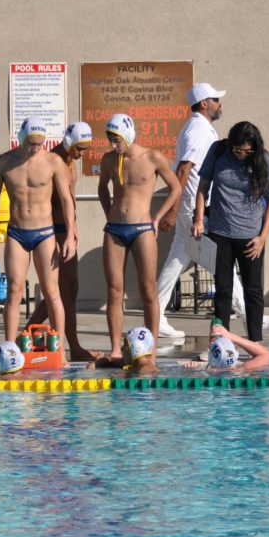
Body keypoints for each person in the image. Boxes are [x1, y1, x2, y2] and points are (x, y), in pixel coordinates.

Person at [156, 84, 269, 338]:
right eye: (216, 99)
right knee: (222, 279)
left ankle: (156, 311)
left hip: (226, 222)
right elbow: (185, 170)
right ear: (204, 102)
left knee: (181, 260)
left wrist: (262, 236)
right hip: (199, 211)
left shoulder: (198, 129)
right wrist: (183, 211)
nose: (220, 104)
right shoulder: (200, 131)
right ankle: (240, 322)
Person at [0, 118, 77, 362]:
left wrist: (69, 234)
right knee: (14, 292)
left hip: (45, 233)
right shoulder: (3, 163)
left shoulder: (53, 162)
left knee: (51, 292)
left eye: (40, 143)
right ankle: (8, 350)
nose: (35, 148)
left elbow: (67, 200)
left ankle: (59, 350)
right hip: (16, 232)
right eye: (31, 143)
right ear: (21, 137)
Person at [97, 113, 181, 359]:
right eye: (110, 139)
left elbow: (176, 188)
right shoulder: (109, 160)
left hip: (143, 229)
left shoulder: (153, 157)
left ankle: (151, 351)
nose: (113, 145)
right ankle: (114, 349)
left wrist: (157, 218)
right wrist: (108, 213)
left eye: (117, 139)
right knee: (114, 290)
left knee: (148, 290)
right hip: (114, 230)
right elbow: (102, 187)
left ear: (128, 135)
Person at [193, 121, 269, 344]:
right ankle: (219, 342)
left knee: (253, 291)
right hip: (220, 233)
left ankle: (255, 343)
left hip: (251, 236)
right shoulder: (218, 151)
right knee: (223, 290)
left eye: (246, 151)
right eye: (237, 150)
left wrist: (263, 237)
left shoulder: (264, 160)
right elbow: (203, 187)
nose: (241, 155)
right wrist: (198, 219)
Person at [25, 122, 96, 361]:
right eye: (79, 149)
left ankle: (33, 336)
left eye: (85, 149)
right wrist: (57, 234)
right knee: (58, 290)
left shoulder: (69, 160)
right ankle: (67, 345)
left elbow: (71, 199)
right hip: (52, 231)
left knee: (69, 289)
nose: (82, 154)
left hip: (66, 230)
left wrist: (73, 228)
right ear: (69, 143)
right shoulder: (52, 160)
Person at [178, 324, 269, 372]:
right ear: (235, 353)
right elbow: (266, 354)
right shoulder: (243, 369)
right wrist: (231, 336)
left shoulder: (201, 371)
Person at [87, 326, 158, 374]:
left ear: (135, 348)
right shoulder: (134, 363)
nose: (122, 348)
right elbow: (109, 360)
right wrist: (94, 364)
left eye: (125, 345)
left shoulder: (146, 371)